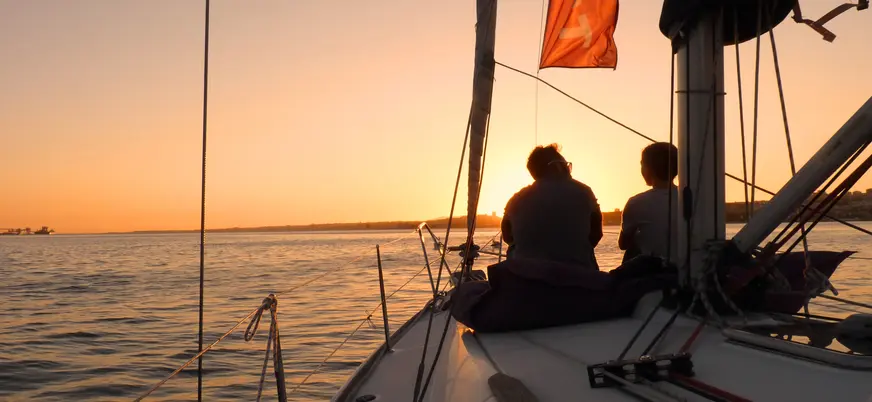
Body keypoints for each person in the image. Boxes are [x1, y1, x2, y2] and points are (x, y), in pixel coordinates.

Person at [501, 144, 603, 270]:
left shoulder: (516, 200)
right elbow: (596, 234)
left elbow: (508, 237)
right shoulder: (584, 192)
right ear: (556, 165)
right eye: (566, 165)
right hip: (577, 277)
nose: (568, 169)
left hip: (527, 279)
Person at [619, 142, 679, 264]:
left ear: (648, 169)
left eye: (642, 164)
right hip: (689, 271)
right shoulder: (695, 198)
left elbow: (623, 244)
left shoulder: (636, 202)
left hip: (654, 273)